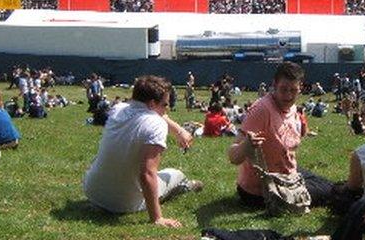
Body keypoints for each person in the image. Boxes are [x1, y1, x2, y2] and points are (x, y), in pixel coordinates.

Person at [83, 75, 201, 228]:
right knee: (175, 174)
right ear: (152, 104)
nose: (167, 109)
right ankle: (185, 186)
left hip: (93, 192)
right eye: (165, 104)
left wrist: (179, 131)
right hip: (123, 204)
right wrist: (157, 218)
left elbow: (157, 113)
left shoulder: (117, 109)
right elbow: (146, 174)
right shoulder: (156, 124)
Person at [228, 62, 334, 207]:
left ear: (300, 88)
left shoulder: (293, 109)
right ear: (274, 85)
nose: (288, 96)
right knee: (332, 192)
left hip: (287, 174)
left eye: (293, 90)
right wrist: (247, 145)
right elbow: (233, 157)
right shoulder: (262, 110)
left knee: (332, 185)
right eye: (283, 89)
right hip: (264, 190)